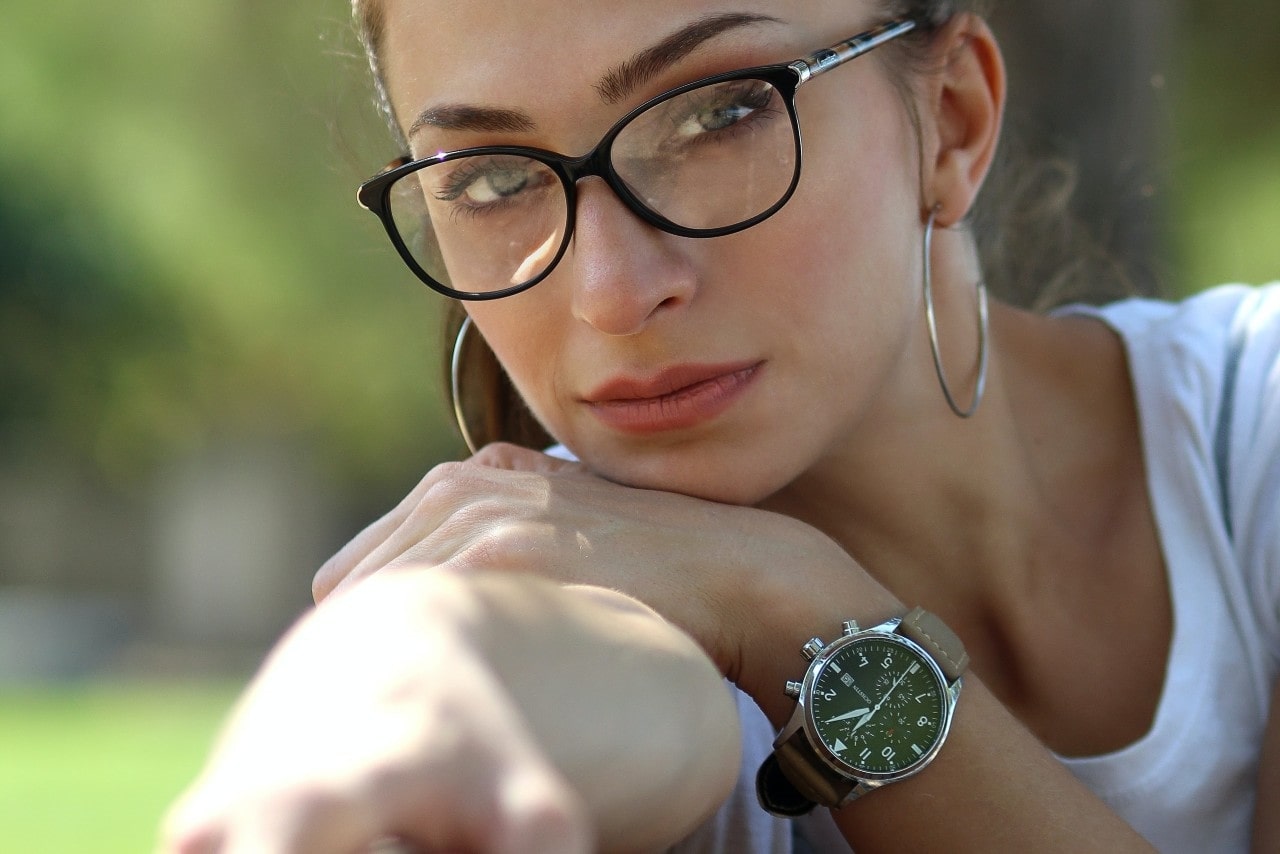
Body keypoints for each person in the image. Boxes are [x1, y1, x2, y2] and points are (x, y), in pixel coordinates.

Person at [162, 0, 1280, 851]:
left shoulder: (1253, 419)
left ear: (949, 122)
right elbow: (511, 668)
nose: (608, 289)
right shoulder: (573, 582)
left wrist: (803, 606)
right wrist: (384, 665)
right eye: (493, 178)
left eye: (717, 113)